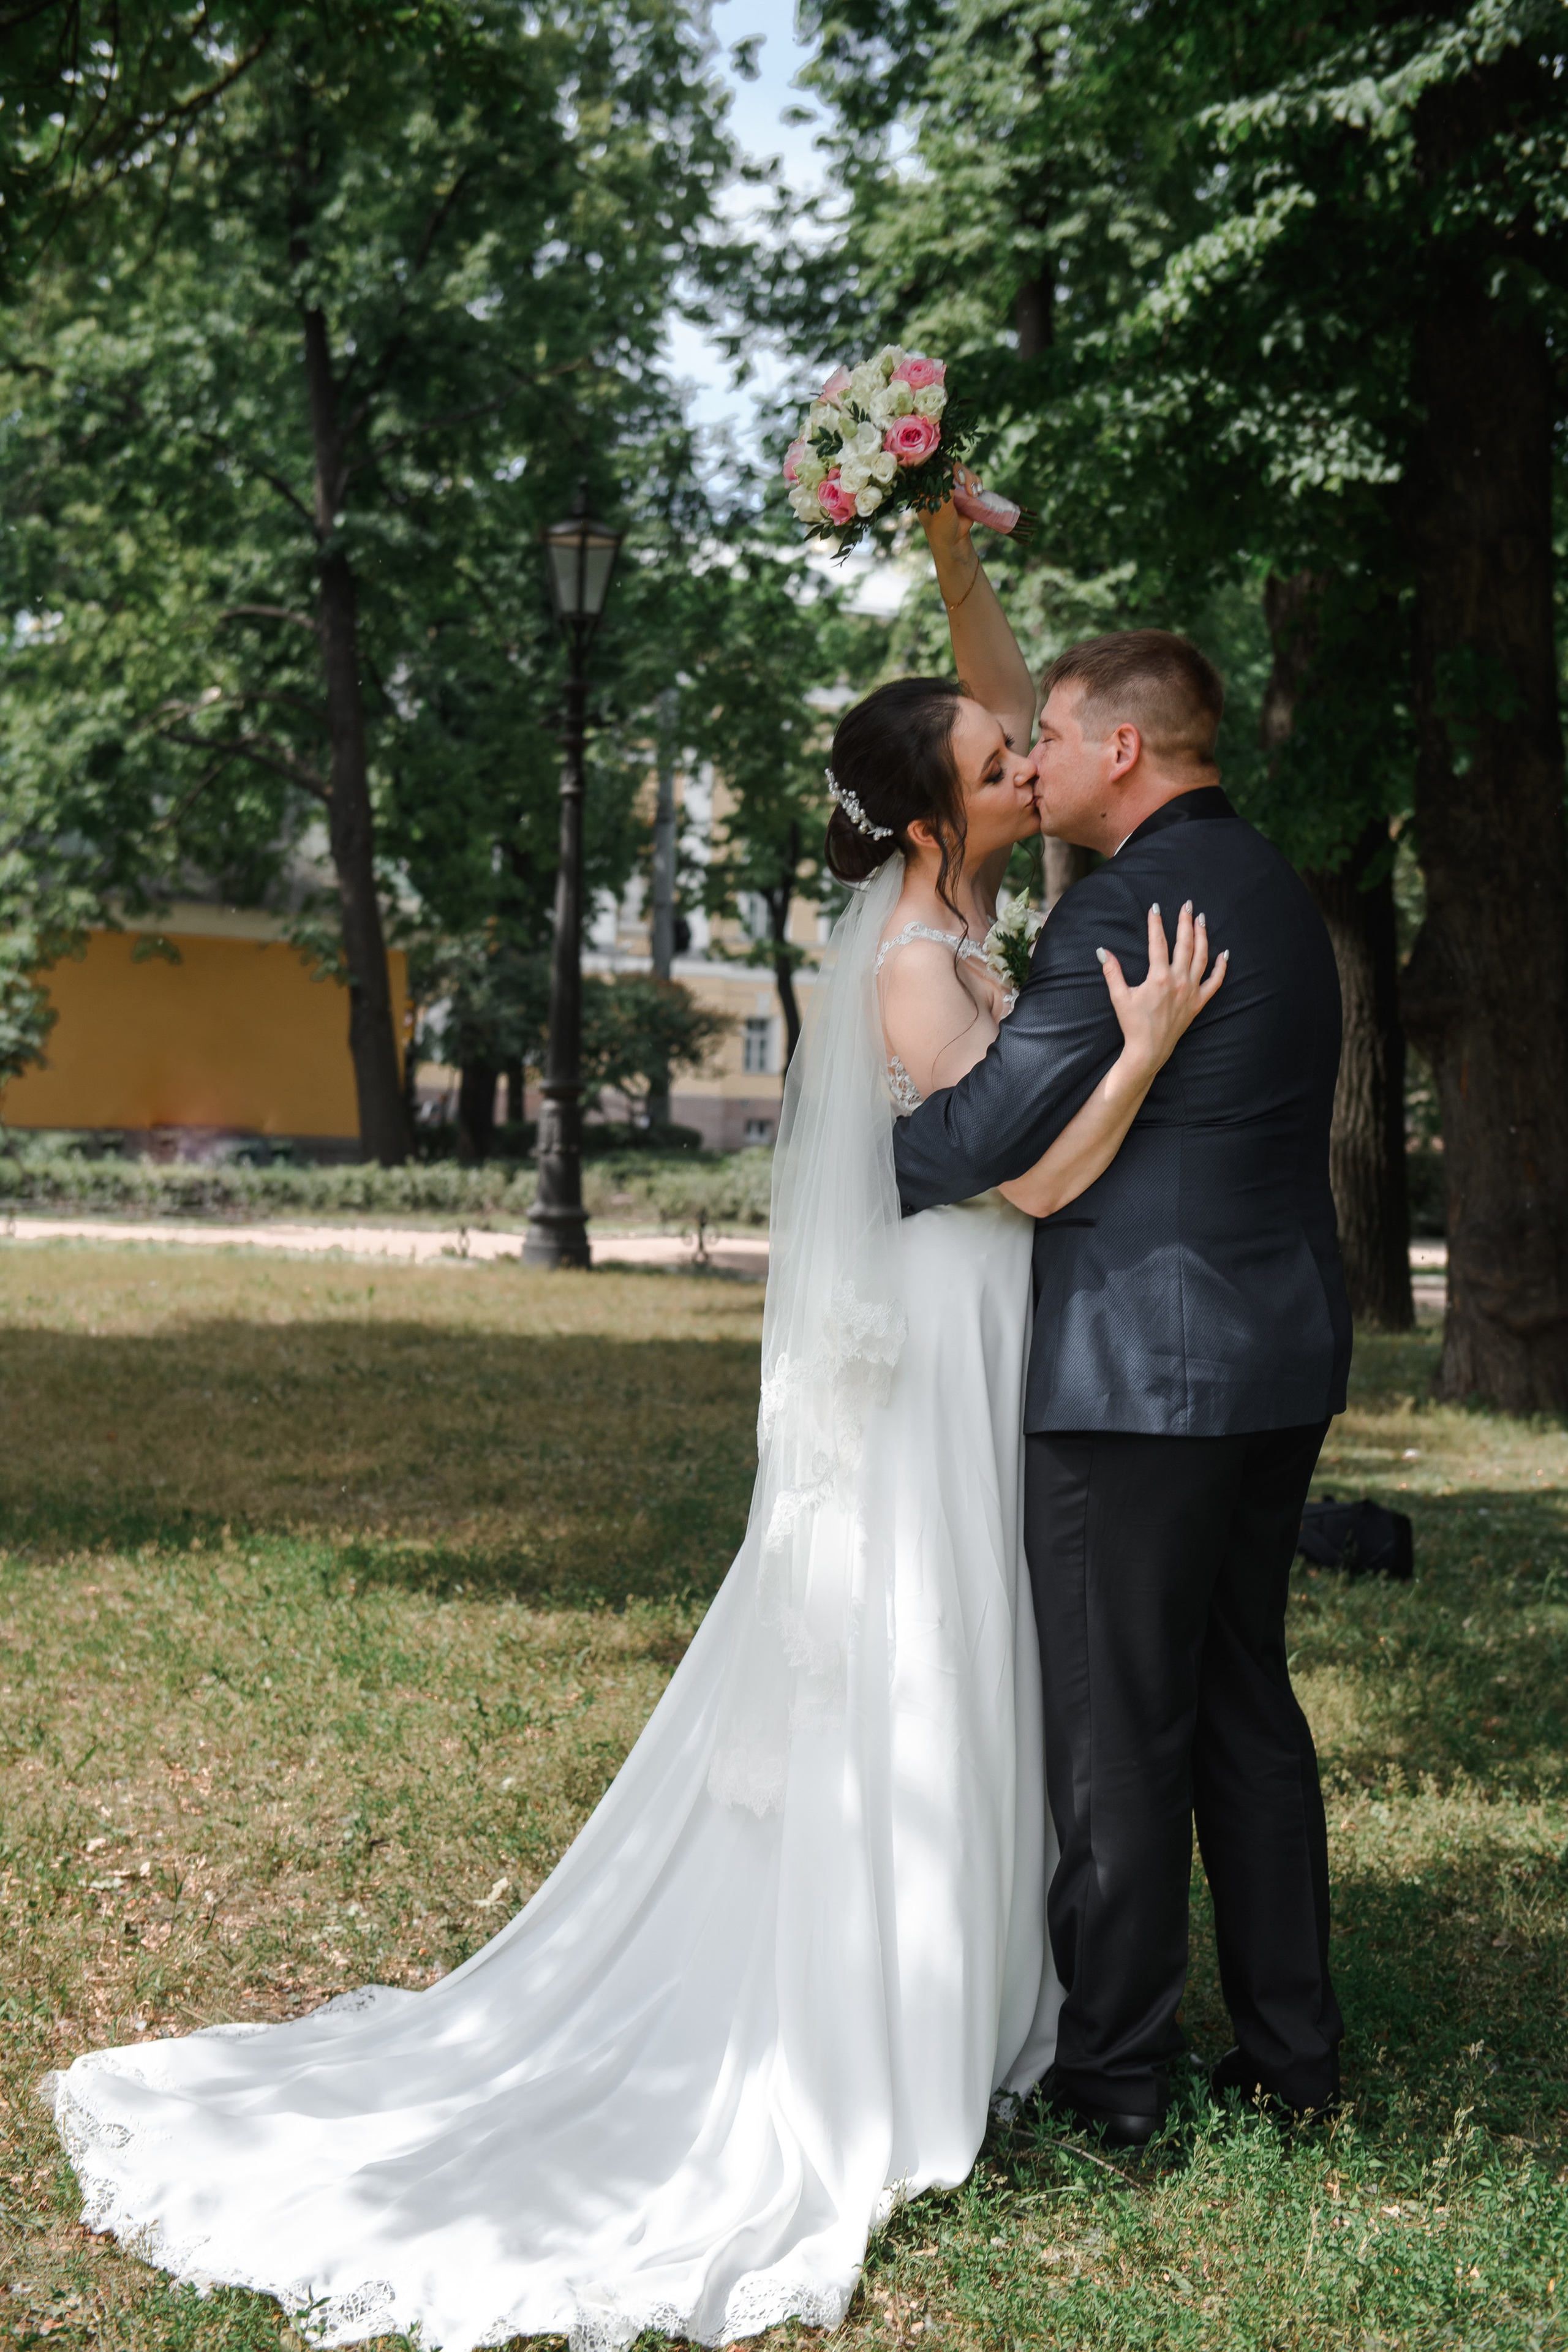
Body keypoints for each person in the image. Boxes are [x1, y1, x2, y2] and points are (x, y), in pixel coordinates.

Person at [45, 533, 1219, 2352]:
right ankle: (886, 2018)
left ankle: (987, 1988)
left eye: (1026, 753)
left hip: (982, 1328)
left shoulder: (967, 911)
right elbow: (1035, 1181)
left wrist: (943, 545)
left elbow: (998, 703)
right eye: (1001, 765)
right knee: (922, 1643)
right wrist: (1140, 1051)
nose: (1027, 763)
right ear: (935, 824)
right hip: (942, 1337)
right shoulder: (920, 971)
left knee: (978, 1638)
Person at [896, 470, 1352, 2148]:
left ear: (1124, 751)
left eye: (1055, 739)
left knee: (1116, 1731)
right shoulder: (1274, 887)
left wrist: (860, 1163)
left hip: (1138, 1376)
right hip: (1281, 1352)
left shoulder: (1123, 905)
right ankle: (1293, 2061)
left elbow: (990, 1132)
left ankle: (1115, 2082)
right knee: (1244, 1702)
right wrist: (954, 558)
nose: (1036, 759)